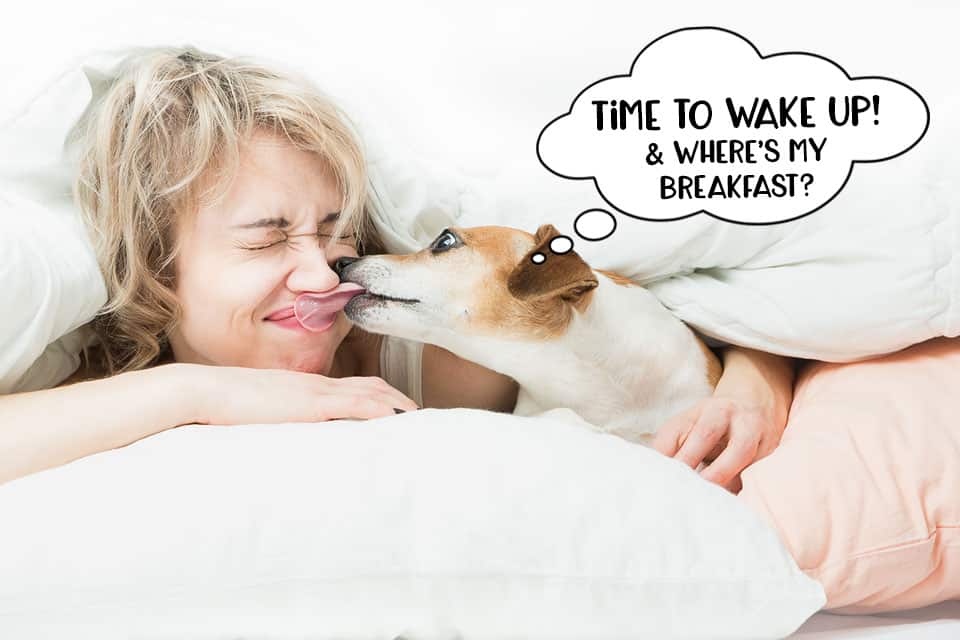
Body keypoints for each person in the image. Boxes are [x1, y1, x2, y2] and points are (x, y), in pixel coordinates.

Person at [0, 46, 797, 490]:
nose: (323, 277)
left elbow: (676, 308)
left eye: (331, 230)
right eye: (264, 238)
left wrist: (758, 380)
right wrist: (192, 391)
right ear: (155, 262)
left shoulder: (434, 360)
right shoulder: (86, 383)